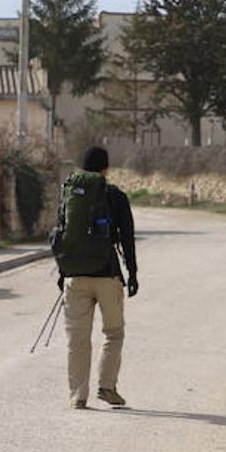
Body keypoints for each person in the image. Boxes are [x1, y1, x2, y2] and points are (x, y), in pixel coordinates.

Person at [53, 146, 139, 410]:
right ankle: (107, 387)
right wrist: (132, 273)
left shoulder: (69, 194)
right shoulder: (114, 196)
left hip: (74, 276)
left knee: (77, 339)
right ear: (106, 169)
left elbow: (63, 233)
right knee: (113, 333)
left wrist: (62, 272)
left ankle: (78, 395)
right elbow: (127, 238)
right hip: (107, 274)